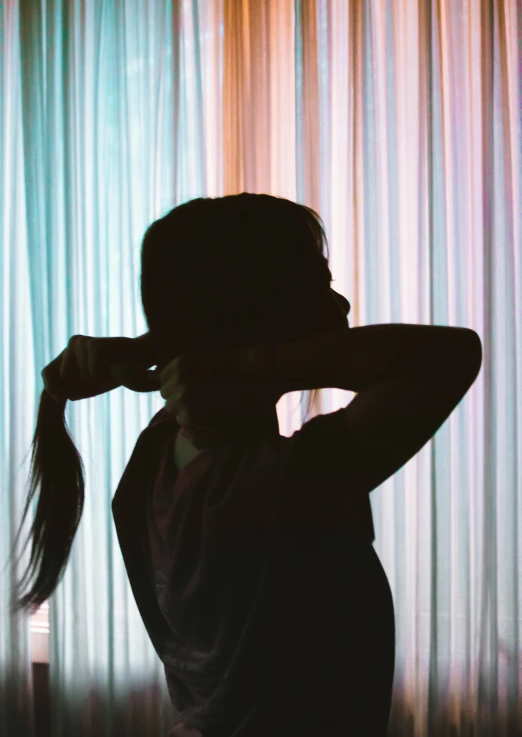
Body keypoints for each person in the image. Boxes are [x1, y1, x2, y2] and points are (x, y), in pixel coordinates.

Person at [6, 192, 482, 736]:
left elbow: (203, 335)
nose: (342, 305)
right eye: (319, 285)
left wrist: (154, 349)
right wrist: (256, 362)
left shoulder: (154, 464)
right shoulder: (286, 484)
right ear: (264, 315)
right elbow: (453, 354)